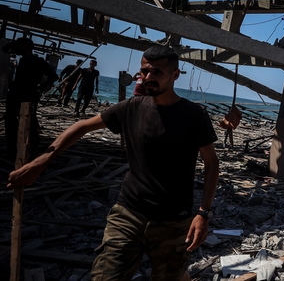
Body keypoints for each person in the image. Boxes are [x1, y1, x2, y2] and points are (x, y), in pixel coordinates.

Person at [7, 45, 219, 281]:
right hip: (128, 213)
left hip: (173, 220)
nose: (148, 78)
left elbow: (211, 163)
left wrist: (203, 213)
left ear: (175, 75)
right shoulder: (131, 108)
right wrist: (40, 162)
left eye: (157, 72)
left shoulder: (193, 115)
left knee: (171, 276)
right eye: (144, 71)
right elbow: (81, 126)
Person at [3, 37, 58, 160]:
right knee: (10, 121)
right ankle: (12, 149)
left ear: (28, 47)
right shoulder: (22, 60)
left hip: (29, 96)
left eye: (20, 46)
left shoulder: (38, 61)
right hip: (15, 95)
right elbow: (5, 49)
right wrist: (15, 44)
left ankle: (34, 151)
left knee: (30, 122)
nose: (17, 49)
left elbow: (54, 77)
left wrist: (40, 88)